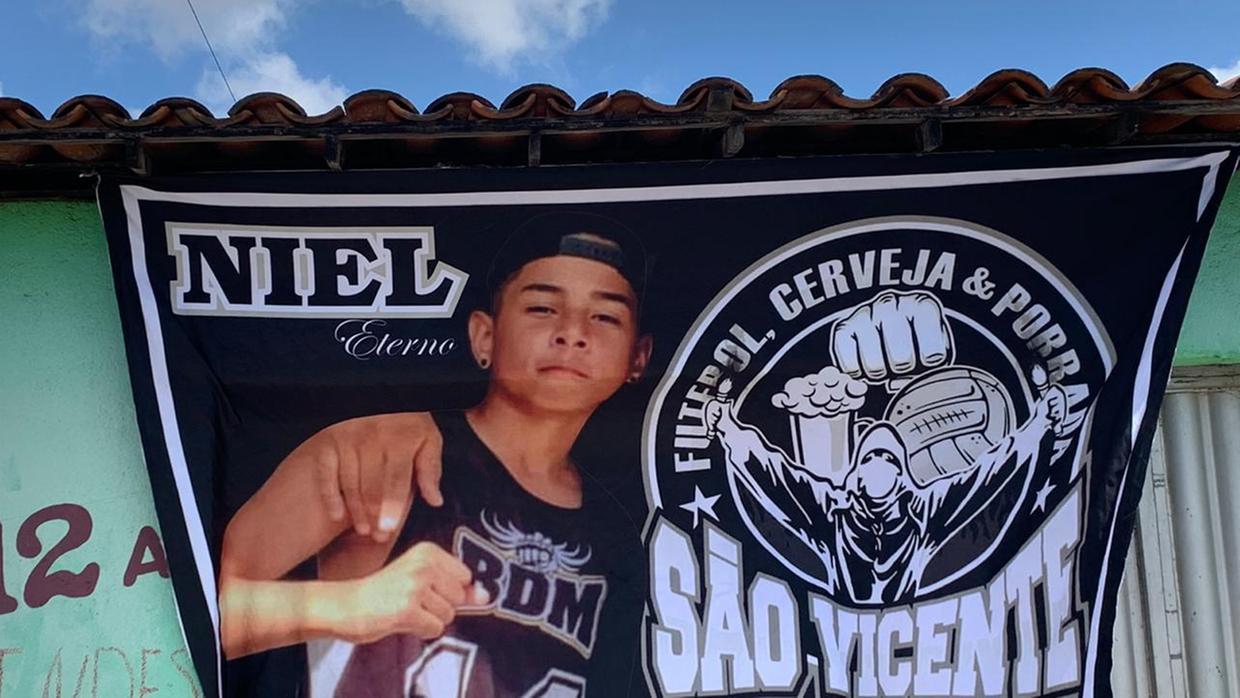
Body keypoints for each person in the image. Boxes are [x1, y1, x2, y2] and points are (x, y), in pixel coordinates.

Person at [219, 214, 653, 698]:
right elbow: (188, 609)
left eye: (605, 316)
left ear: (638, 358)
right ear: (484, 336)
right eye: (542, 308)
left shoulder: (616, 535)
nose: (572, 333)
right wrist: (347, 606)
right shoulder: (387, 448)